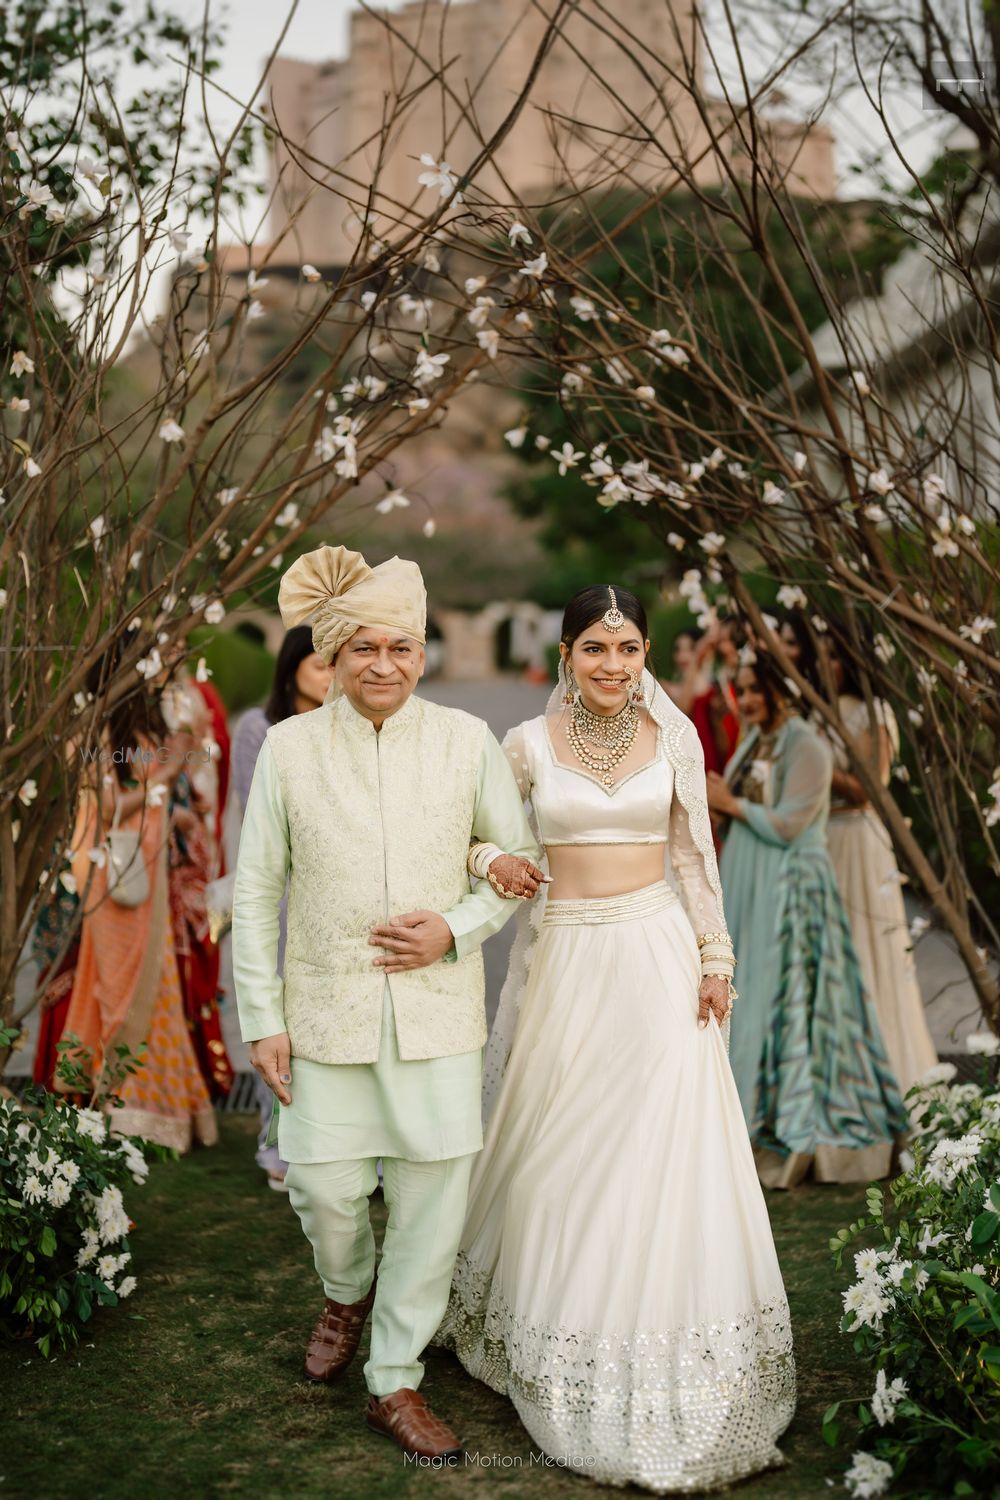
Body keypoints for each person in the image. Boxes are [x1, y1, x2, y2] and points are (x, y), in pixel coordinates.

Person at [436, 586, 795, 1493]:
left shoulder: (675, 739)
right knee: (564, 1149)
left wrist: (716, 957)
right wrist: (495, 862)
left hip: (658, 956)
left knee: (661, 1145)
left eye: (629, 648)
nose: (612, 665)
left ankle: (664, 1323)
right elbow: (469, 836)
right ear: (565, 654)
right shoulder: (522, 746)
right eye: (595, 648)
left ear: (645, 655)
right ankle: (563, 1323)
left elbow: (692, 856)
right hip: (566, 963)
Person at [232, 544, 541, 1463]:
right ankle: (347, 1285)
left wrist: (457, 927)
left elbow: (513, 860)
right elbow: (256, 892)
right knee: (323, 1189)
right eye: (362, 648)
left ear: (421, 653)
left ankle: (394, 1377)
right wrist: (262, 1017)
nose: (384, 665)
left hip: (439, 1011)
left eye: (401, 648)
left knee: (431, 1203)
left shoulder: (463, 740)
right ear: (330, 656)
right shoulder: (290, 750)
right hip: (323, 1012)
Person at [706, 650, 907, 1188]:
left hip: (793, 891)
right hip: (755, 885)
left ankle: (799, 1140)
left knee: (793, 1004)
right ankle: (747, 1127)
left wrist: (729, 803)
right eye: (740, 689)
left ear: (781, 691)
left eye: (754, 690)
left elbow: (792, 824)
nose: (745, 700)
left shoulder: (807, 746)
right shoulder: (756, 738)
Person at [59, 647, 218, 1150]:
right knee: (118, 986)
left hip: (148, 874)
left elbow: (189, 764)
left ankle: (160, 1111)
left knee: (155, 983)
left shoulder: (143, 726)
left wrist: (184, 741)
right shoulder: (92, 732)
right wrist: (163, 775)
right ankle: (125, 1107)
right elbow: (107, 805)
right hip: (113, 878)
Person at [231, 625, 335, 1189]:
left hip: (339, 897)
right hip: (284, 893)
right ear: (291, 666)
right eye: (320, 664)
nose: (330, 676)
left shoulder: (347, 725)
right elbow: (258, 819)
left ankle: (341, 1147)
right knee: (282, 1022)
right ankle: (281, 1149)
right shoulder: (260, 728)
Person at [822, 637, 937, 1095]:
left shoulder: (874, 713)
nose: (826, 663)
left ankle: (889, 1078)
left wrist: (815, 767)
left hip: (860, 837)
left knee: (871, 948)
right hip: (826, 838)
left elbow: (872, 786)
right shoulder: (818, 710)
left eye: (834, 654)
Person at [665, 624, 739, 775]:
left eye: (691, 649)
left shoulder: (716, 690)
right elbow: (682, 709)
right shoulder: (666, 689)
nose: (682, 656)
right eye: (678, 650)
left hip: (714, 769)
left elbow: (726, 745)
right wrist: (696, 659)